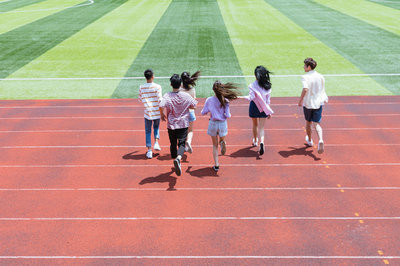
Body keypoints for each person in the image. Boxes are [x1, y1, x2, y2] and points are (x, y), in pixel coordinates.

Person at [159, 74, 197, 176]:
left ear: (171, 84)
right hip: (183, 124)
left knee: (172, 143)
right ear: (180, 84)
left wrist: (162, 114)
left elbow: (161, 105)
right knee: (181, 144)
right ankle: (179, 158)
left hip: (171, 125)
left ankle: (175, 159)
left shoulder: (167, 96)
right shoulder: (186, 96)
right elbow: (194, 105)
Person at [201, 81, 240, 172]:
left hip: (213, 123)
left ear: (213, 90)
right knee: (221, 139)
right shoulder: (225, 100)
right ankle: (223, 142)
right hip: (222, 123)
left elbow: (203, 112)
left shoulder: (209, 100)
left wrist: (209, 111)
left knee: (214, 145)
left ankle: (216, 165)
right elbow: (228, 114)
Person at [298, 57, 328, 154]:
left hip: (308, 103)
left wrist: (301, 99)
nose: (303, 67)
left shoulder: (305, 77)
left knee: (308, 122)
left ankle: (310, 140)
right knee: (316, 123)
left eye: (305, 66)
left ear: (309, 67)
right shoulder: (321, 76)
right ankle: (320, 139)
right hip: (318, 102)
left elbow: (305, 89)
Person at [246, 66, 274, 156]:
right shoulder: (268, 86)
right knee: (261, 127)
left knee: (255, 125)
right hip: (263, 108)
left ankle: (255, 140)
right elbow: (268, 100)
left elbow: (251, 98)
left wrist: (243, 97)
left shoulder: (252, 85)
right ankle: (262, 142)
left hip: (254, 107)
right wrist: (268, 111)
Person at [138, 69, 162, 159]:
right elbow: (160, 99)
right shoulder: (158, 87)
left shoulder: (141, 87)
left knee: (148, 131)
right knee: (156, 127)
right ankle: (156, 142)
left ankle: (149, 150)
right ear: (152, 77)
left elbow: (140, 99)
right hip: (156, 111)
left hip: (147, 112)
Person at [180, 71, 200, 154]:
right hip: (190, 112)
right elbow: (194, 103)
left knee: (182, 131)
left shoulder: (179, 89)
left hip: (181, 114)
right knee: (190, 131)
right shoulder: (192, 90)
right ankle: (189, 141)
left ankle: (183, 145)